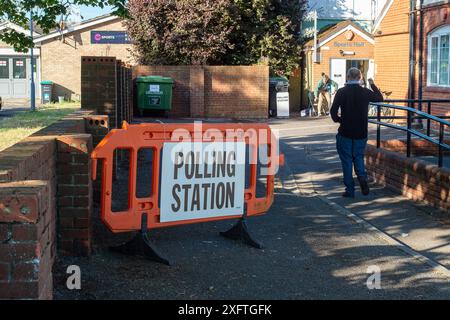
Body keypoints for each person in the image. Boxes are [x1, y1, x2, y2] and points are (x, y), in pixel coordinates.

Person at [330, 68, 383, 198]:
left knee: (347, 161)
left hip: (345, 132)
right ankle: (362, 178)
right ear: (360, 77)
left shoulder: (341, 92)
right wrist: (371, 83)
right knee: (358, 157)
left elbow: (333, 111)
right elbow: (380, 98)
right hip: (361, 132)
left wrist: (339, 120)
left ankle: (350, 190)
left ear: (347, 77)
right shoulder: (365, 92)